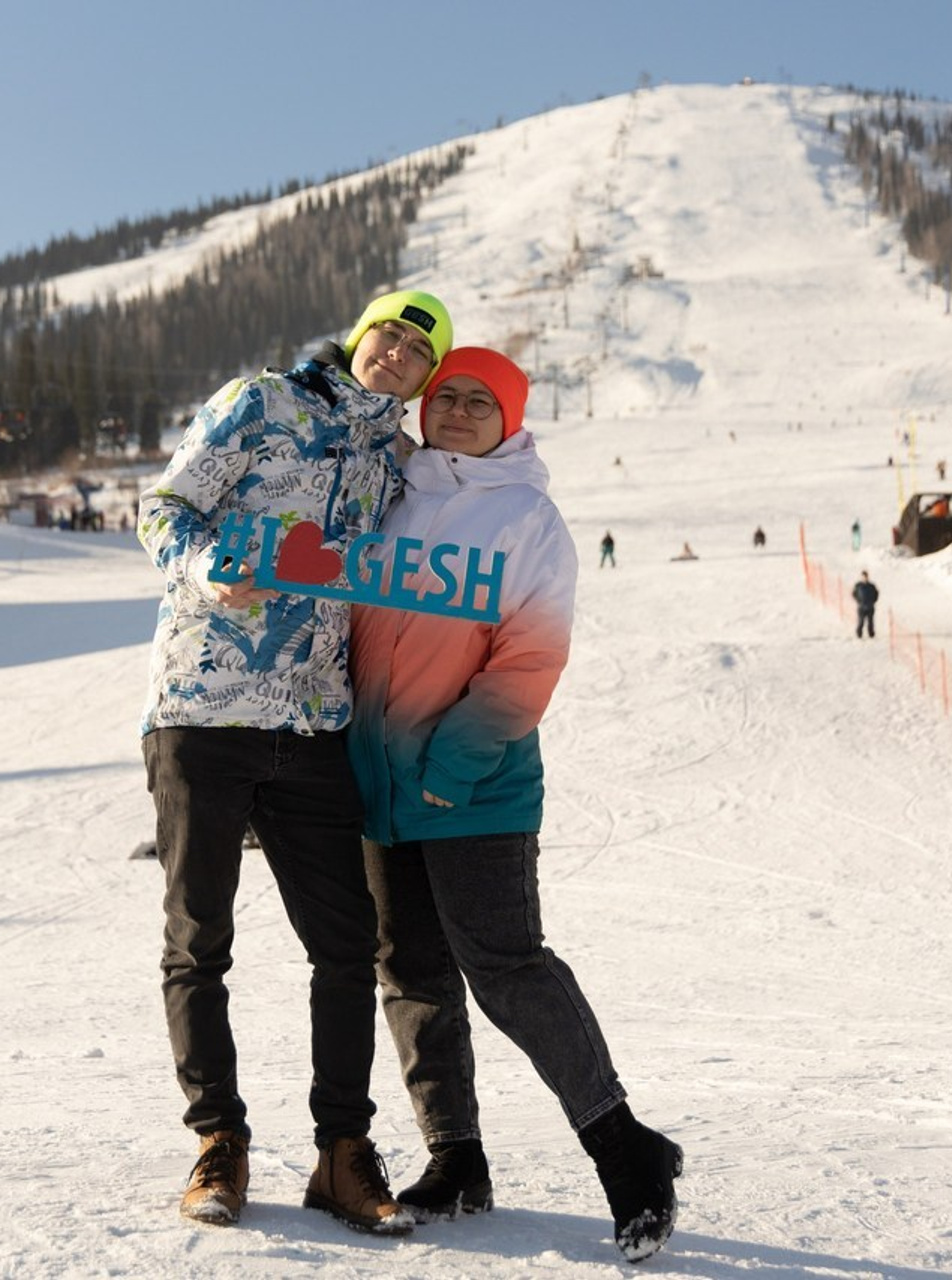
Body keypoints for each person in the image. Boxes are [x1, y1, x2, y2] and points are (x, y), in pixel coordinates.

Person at [348, 348, 683, 1263]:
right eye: (445, 395)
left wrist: (453, 764)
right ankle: (456, 1159)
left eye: (478, 401)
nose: (457, 410)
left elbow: (529, 658)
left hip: (475, 786)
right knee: (409, 971)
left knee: (504, 966)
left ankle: (626, 1150)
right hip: (379, 786)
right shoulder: (388, 496)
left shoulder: (526, 515)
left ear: (510, 420)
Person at [137, 289, 453, 1235]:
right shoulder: (261, 402)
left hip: (315, 721)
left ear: (426, 378)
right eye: (389, 332)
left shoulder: (398, 465)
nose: (396, 351)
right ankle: (217, 1142)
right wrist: (203, 566)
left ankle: (341, 1151)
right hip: (203, 704)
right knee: (201, 937)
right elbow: (162, 507)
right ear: (360, 337)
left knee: (346, 944)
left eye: (417, 350)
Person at [853, 569, 879, 638]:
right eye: (863, 576)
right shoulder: (858, 585)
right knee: (861, 621)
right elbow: (854, 594)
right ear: (861, 577)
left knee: (870, 622)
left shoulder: (871, 586)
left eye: (866, 576)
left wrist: (873, 601)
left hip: (870, 607)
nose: (865, 578)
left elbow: (876, 594)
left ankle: (871, 634)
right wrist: (858, 601)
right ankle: (859, 634)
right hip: (861, 607)